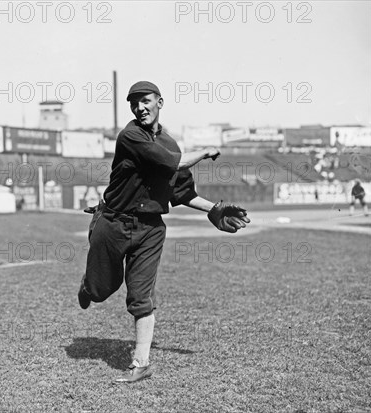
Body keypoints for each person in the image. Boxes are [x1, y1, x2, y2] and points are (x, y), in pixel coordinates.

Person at [77, 81, 250, 383]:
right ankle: (90, 285)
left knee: (141, 297)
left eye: (145, 101)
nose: (139, 107)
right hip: (114, 222)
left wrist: (212, 209)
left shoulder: (169, 143)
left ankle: (140, 363)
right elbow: (173, 162)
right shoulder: (130, 135)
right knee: (102, 288)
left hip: (150, 229)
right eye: (134, 103)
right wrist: (206, 151)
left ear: (160, 102)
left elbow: (180, 193)